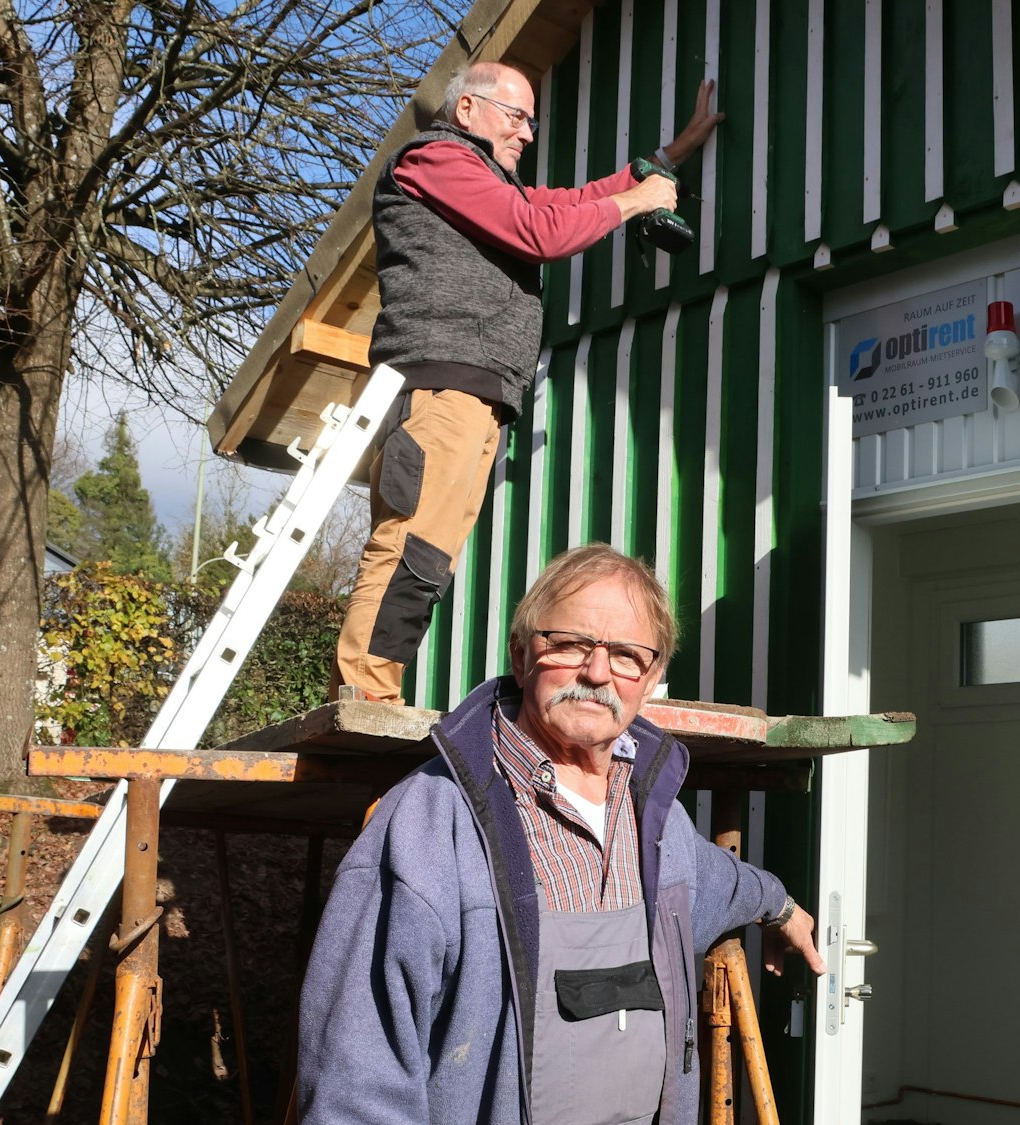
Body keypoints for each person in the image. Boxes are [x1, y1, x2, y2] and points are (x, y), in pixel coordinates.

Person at [298, 544, 824, 1124]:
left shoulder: (658, 820)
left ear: (648, 681)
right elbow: (357, 1080)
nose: (597, 672)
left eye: (626, 655)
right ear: (521, 657)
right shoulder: (427, 831)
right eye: (569, 644)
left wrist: (782, 908)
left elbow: (716, 880)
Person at [336, 61, 722, 703]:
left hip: (477, 391)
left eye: (531, 122)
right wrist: (638, 202)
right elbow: (539, 231)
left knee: (431, 558)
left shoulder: (487, 180)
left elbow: (563, 204)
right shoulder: (434, 158)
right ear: (466, 110)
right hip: (440, 384)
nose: (527, 134)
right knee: (412, 544)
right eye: (516, 117)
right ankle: (366, 694)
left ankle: (377, 689)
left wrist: (664, 160)